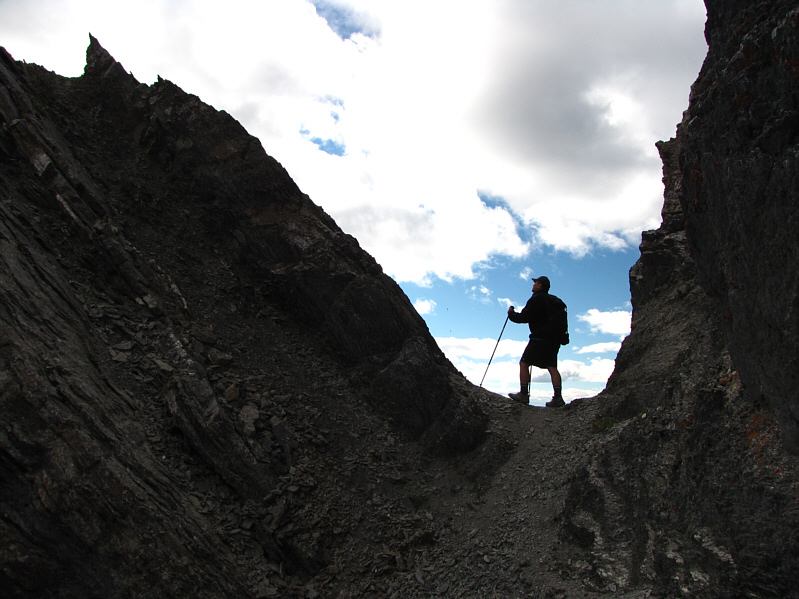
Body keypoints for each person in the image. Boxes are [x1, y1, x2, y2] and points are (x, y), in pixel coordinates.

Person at [506, 275, 565, 407]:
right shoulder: (553, 302)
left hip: (539, 338)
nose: (533, 285)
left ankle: (523, 394)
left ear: (540, 285)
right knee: (552, 367)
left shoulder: (537, 299)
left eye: (535, 283)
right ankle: (558, 398)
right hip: (554, 340)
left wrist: (511, 314)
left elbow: (524, 317)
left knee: (524, 363)